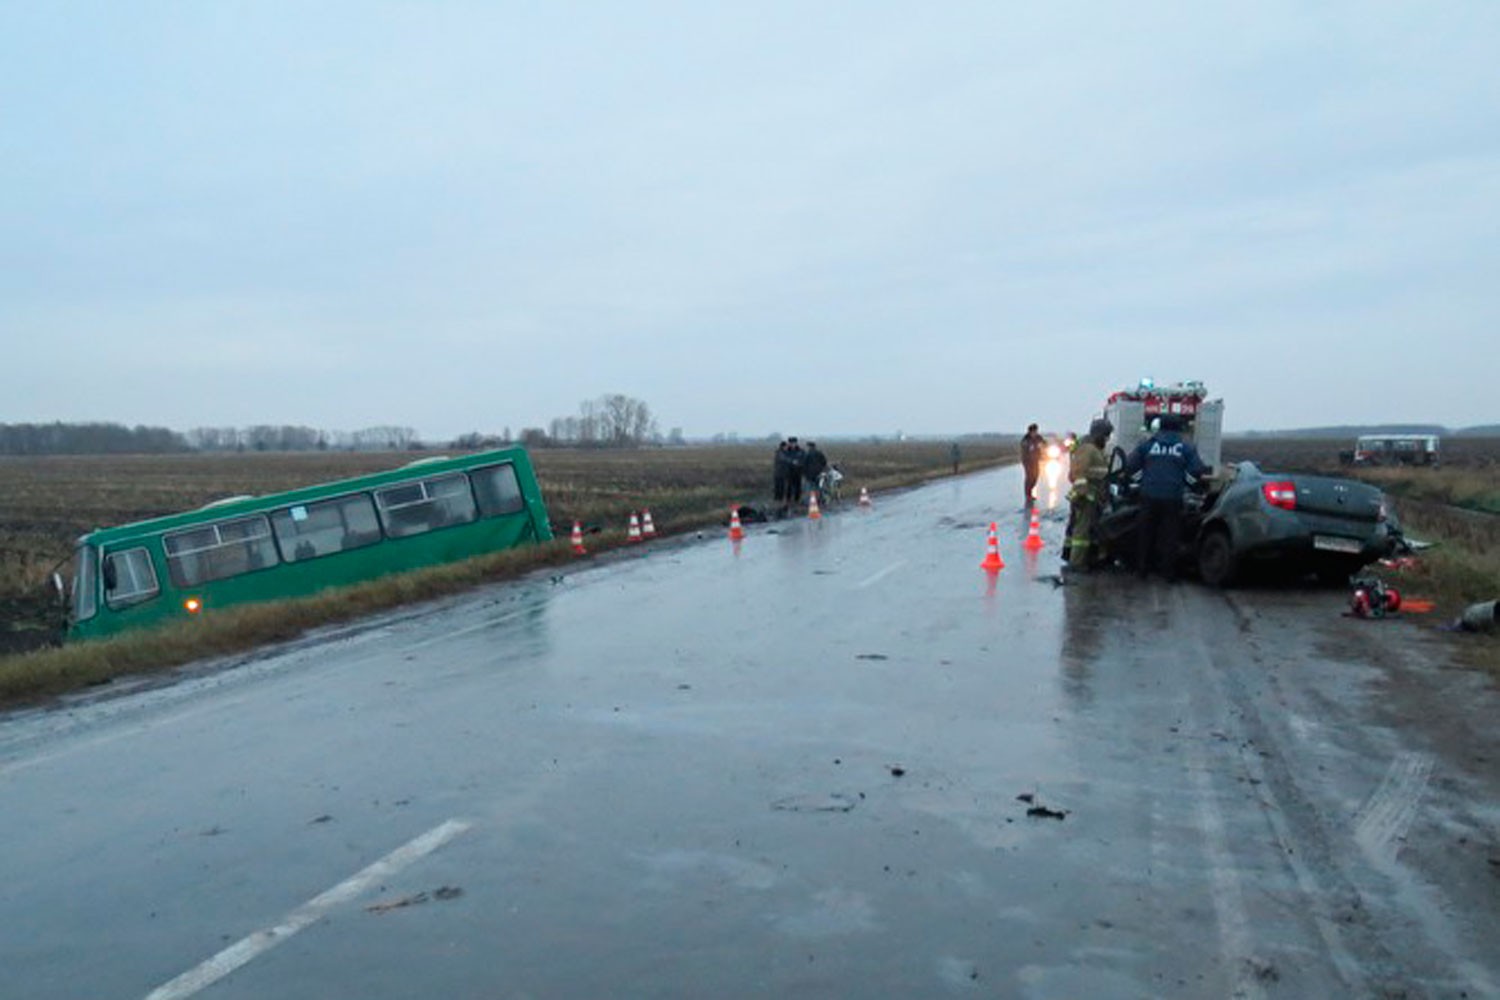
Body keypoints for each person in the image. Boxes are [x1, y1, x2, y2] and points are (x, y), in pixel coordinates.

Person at [1125, 413, 1207, 582]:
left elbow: (1130, 466)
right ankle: (1167, 573)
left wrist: (1142, 481)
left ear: (1159, 427)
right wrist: (1185, 483)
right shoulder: (1185, 448)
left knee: (1145, 534)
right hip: (1173, 497)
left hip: (1148, 496)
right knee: (1170, 536)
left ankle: (1142, 571)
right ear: (1179, 429)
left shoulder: (1147, 446)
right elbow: (1197, 470)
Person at [1064, 418, 1112, 571]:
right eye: (1105, 435)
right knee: (1081, 532)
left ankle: (1081, 557)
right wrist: (1082, 494)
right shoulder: (1087, 449)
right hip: (1086, 496)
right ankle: (1077, 563)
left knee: (1083, 529)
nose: (1107, 439)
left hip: (1092, 495)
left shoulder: (1094, 449)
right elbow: (1079, 473)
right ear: (1099, 434)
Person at [1020, 423, 1046, 507]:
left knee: (1036, 476)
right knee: (1029, 477)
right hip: (1027, 461)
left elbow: (1044, 442)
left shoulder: (1038, 437)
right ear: (1030, 431)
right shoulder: (1025, 439)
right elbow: (1024, 448)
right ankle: (1028, 495)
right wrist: (1030, 448)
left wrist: (1043, 445)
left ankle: (1030, 491)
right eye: (1034, 431)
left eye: (1036, 431)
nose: (1035, 433)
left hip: (1035, 460)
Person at [784, 437, 805, 513]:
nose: (792, 444)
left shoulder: (800, 451)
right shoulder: (786, 451)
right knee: (789, 487)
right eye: (791, 443)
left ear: (796, 443)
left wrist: (799, 463)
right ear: (789, 443)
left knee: (798, 487)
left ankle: (797, 501)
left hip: (798, 472)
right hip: (789, 472)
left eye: (794, 442)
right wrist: (791, 461)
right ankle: (788, 501)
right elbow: (784, 459)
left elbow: (804, 459)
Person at [772, 440, 790, 507]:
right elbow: (784, 459)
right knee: (779, 488)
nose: (787, 447)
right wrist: (792, 461)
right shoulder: (780, 453)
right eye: (786, 446)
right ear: (783, 446)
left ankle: (779, 501)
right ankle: (778, 502)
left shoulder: (782, 452)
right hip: (779, 473)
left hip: (781, 473)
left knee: (781, 487)